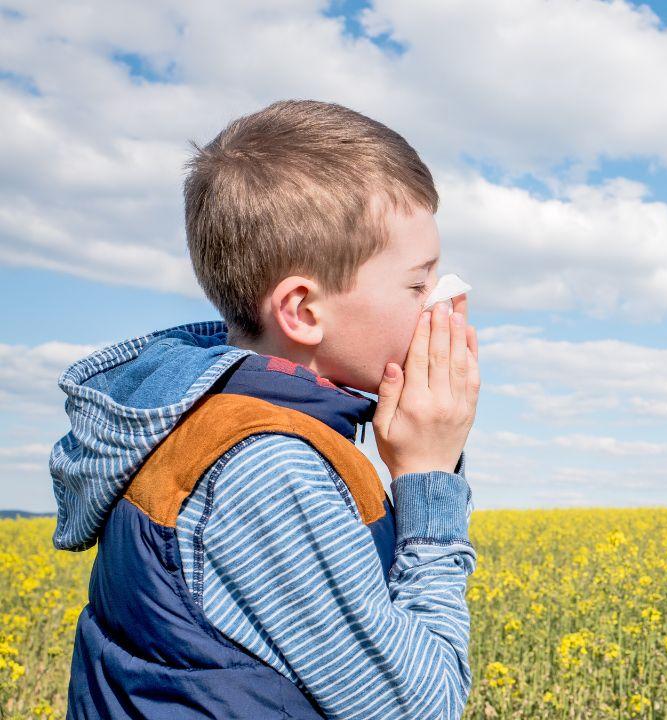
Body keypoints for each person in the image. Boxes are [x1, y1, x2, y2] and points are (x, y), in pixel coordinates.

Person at [48, 99, 481, 719]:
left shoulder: (203, 421)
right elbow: (418, 708)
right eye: (418, 284)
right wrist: (429, 479)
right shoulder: (266, 469)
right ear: (303, 312)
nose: (439, 303)